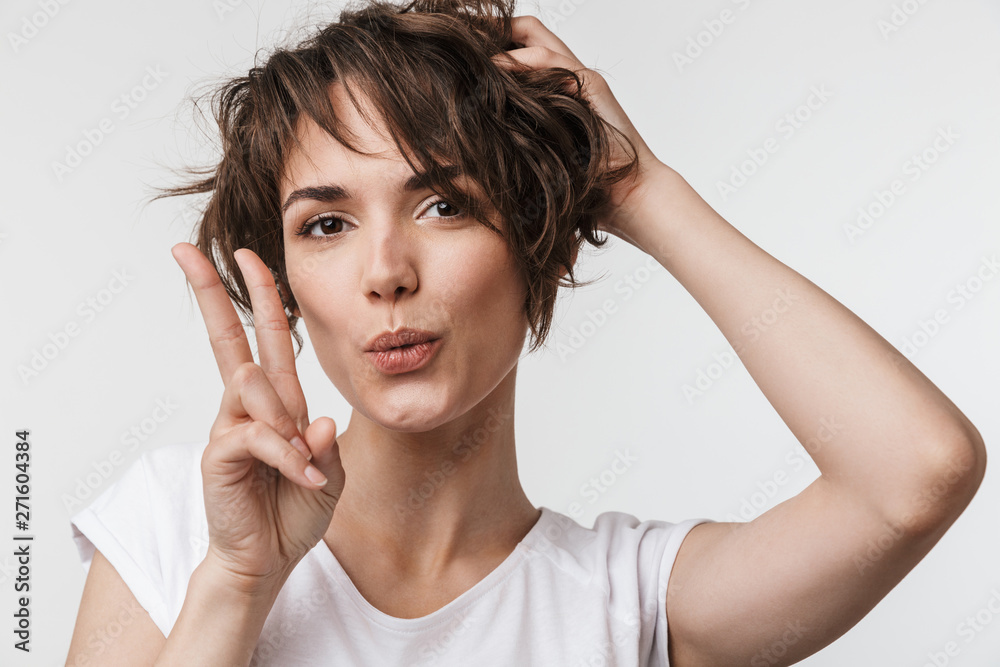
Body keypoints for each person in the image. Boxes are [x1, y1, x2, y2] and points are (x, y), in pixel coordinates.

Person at [66, 0, 987, 665]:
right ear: (288, 281)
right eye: (327, 223)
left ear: (538, 241)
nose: (386, 271)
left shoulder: (626, 601)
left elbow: (917, 474)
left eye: (444, 203)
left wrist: (639, 190)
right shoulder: (178, 525)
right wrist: (236, 583)